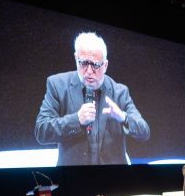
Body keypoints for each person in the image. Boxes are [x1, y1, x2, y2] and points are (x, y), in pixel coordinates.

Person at [35, 32, 150, 166]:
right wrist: (76, 119)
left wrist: (123, 117)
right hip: (73, 175)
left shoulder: (120, 92)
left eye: (95, 65)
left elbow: (144, 132)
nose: (89, 71)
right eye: (84, 63)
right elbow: (41, 131)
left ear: (105, 65)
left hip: (114, 176)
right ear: (76, 58)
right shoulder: (57, 85)